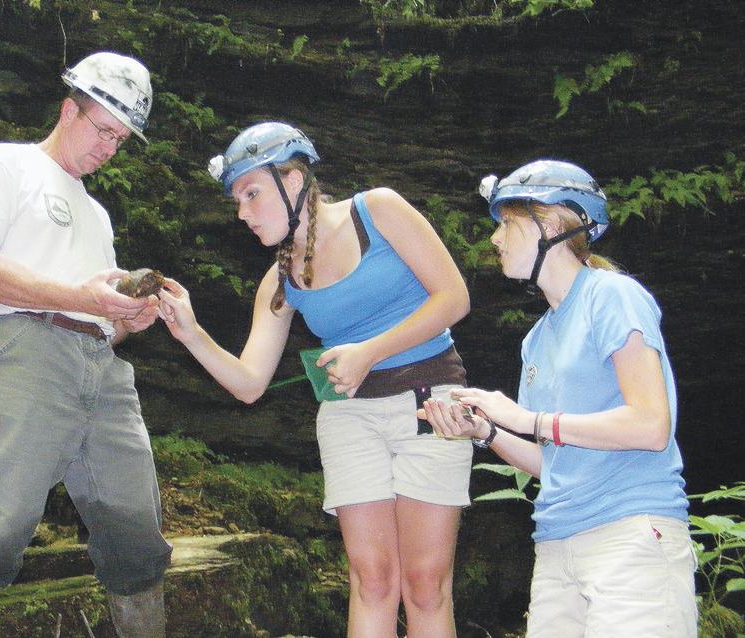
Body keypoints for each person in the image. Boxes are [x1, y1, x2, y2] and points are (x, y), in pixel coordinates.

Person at [158, 122, 472, 637]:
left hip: (429, 402)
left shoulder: (379, 211)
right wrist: (191, 333)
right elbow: (249, 382)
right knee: (371, 580)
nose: (242, 213)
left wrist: (370, 352)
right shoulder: (281, 279)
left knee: (425, 582)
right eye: (236, 200)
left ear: (295, 178)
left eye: (252, 193)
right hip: (350, 417)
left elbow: (454, 298)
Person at [0, 51, 173, 637]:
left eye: (121, 140)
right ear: (68, 109)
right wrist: (83, 298)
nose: (109, 148)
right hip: (27, 351)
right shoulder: (8, 165)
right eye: (103, 129)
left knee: (137, 536)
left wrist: (128, 315)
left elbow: (98, 310)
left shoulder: (97, 214)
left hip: (103, 370)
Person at [420, 160, 697, 637]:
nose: (495, 238)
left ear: (550, 223)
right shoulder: (536, 339)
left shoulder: (612, 297)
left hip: (629, 536)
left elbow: (651, 426)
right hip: (556, 547)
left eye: (506, 223)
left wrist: (529, 417)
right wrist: (486, 431)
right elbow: (555, 464)